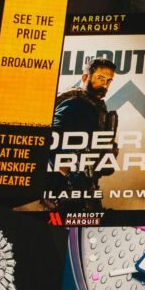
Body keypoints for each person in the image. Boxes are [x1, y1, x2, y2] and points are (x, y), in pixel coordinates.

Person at [47, 56, 119, 212]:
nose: (104, 85)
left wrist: (109, 152)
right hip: (70, 185)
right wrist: (63, 176)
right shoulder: (74, 102)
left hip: (87, 184)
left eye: (108, 80)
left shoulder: (96, 106)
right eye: (100, 78)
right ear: (86, 77)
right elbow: (53, 138)